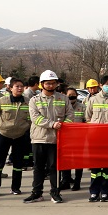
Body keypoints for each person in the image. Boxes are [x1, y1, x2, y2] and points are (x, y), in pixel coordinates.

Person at [25, 70, 74, 204]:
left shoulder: (63, 99)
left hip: (56, 139)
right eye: (48, 83)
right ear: (41, 84)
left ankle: (55, 192)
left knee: (54, 167)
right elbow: (36, 119)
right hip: (39, 138)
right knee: (38, 167)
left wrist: (64, 126)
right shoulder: (34, 100)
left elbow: (70, 115)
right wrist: (53, 125)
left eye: (53, 83)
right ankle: (37, 193)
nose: (51, 86)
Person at [0, 78, 30, 197]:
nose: (20, 88)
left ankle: (16, 188)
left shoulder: (28, 101)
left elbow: (32, 117)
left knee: (18, 163)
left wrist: (26, 126)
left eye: (21, 86)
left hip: (20, 135)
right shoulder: (2, 100)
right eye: (17, 86)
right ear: (10, 88)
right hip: (3, 134)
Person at [61, 87, 85, 191]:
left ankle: (77, 182)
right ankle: (65, 181)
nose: (71, 96)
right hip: (66, 138)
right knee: (66, 161)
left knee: (78, 161)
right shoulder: (62, 107)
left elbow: (86, 121)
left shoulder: (82, 107)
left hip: (79, 139)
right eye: (69, 95)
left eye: (73, 94)